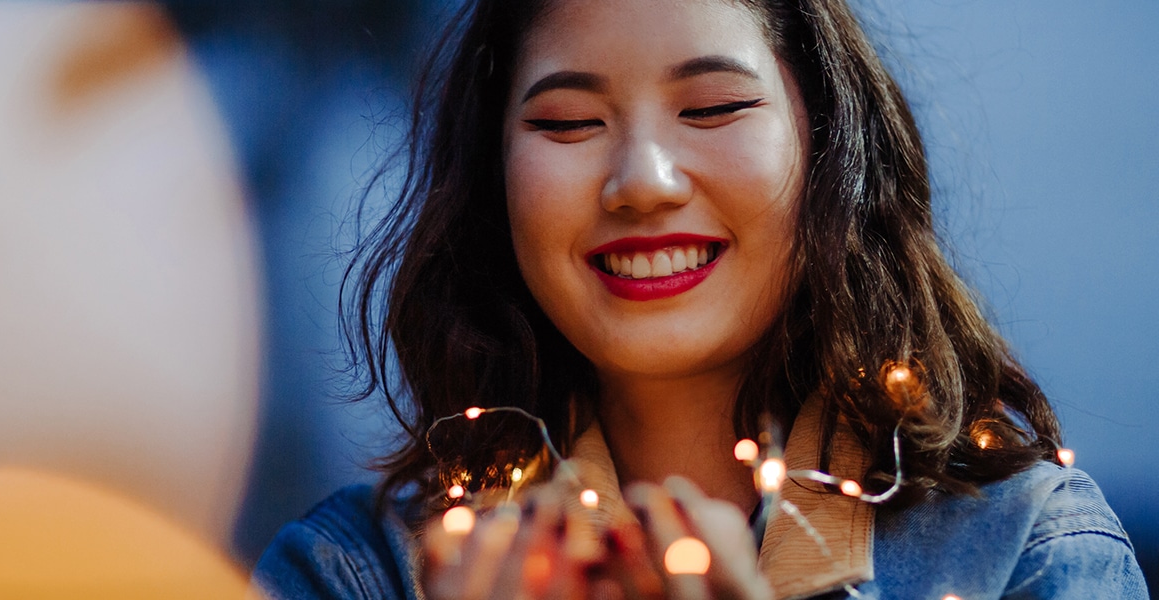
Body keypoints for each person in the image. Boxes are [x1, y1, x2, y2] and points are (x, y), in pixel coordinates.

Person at [251, 0, 1149, 598]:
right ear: (492, 179)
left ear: (830, 143)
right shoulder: (357, 573)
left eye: (714, 107)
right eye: (567, 122)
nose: (641, 181)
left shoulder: (1024, 553)